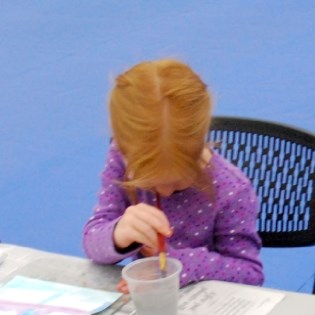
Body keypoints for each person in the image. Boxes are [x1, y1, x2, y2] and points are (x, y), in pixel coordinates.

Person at [82, 59, 264, 290]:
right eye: (149, 182)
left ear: (200, 146)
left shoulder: (231, 189)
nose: (165, 193)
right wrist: (119, 234)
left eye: (177, 181)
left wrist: (180, 265)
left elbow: (250, 274)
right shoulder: (122, 158)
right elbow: (92, 241)